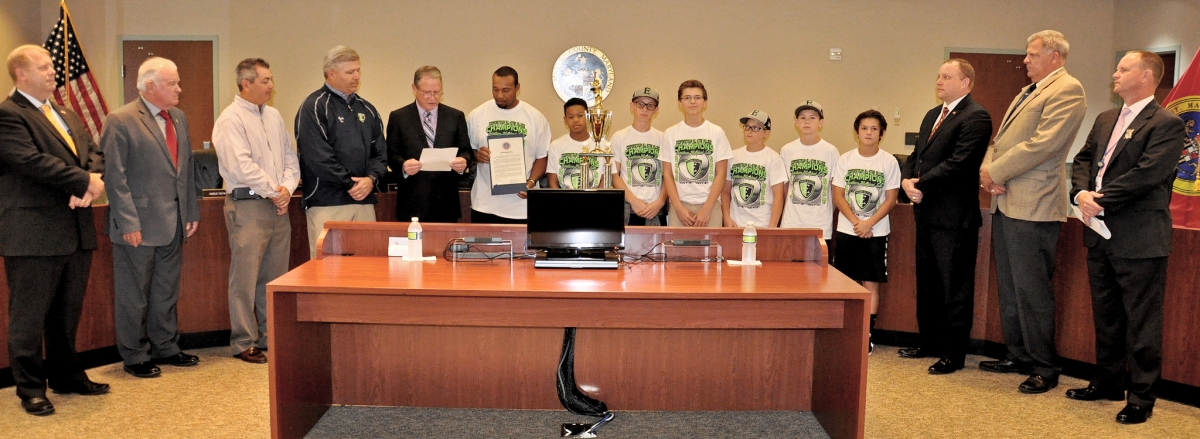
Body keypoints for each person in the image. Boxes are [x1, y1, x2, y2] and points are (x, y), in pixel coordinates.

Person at [1066, 51, 1184, 424]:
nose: (1114, 73)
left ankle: (1141, 397)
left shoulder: (1167, 123)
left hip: (1140, 237)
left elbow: (1149, 174)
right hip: (1100, 235)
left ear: (1146, 76)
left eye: (1123, 68)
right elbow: (1084, 160)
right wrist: (1080, 194)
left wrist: (1099, 200)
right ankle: (1107, 381)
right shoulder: (1104, 119)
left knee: (1142, 321)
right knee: (1107, 316)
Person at [0, 44, 108, 416]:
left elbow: (94, 151)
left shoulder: (65, 112)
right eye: (43, 67)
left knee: (66, 312)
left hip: (74, 229)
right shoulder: (8, 114)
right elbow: (30, 161)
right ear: (21, 74)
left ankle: (66, 375)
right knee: (28, 316)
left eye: (52, 66)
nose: (52, 72)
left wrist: (90, 179)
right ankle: (30, 387)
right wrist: (84, 183)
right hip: (32, 232)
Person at [978, 30, 1088, 394]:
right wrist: (988, 171)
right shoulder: (1030, 89)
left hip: (1035, 203)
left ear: (1054, 55)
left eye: (1032, 55)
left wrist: (995, 172)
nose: (1025, 61)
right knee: (1010, 286)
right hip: (1007, 197)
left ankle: (1045, 366)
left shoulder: (1068, 89)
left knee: (1032, 289)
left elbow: (1044, 144)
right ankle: (1019, 355)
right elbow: (1002, 140)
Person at [102, 56, 202, 378]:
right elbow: (114, 178)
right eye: (173, 83)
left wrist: (191, 210)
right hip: (138, 225)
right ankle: (134, 355)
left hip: (174, 222)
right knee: (134, 294)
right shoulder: (120, 120)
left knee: (165, 290)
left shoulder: (179, 118)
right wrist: (128, 223)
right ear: (150, 86)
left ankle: (166, 346)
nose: (179, 89)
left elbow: (184, 171)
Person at [897, 59, 992, 374]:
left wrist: (920, 184)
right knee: (928, 283)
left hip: (954, 220)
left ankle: (954, 354)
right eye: (938, 75)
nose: (939, 81)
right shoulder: (931, 115)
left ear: (965, 83)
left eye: (946, 76)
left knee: (954, 287)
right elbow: (916, 155)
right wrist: (907, 179)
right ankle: (929, 342)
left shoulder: (976, 117)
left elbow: (960, 163)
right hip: (925, 214)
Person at [211, 58, 300, 364]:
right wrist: (275, 191)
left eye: (271, 80)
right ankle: (243, 341)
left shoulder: (274, 116)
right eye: (265, 81)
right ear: (245, 84)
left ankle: (269, 335)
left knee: (275, 277)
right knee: (245, 278)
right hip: (249, 205)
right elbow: (241, 165)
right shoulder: (230, 119)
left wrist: (287, 187)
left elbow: (290, 156)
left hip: (277, 205)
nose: (271, 86)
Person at [295, 46, 386, 257]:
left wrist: (371, 179)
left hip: (363, 202)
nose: (356, 76)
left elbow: (380, 153)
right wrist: (350, 183)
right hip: (328, 203)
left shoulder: (368, 109)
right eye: (350, 72)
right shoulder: (314, 106)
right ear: (331, 74)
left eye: (358, 71)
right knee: (329, 270)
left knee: (367, 268)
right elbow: (317, 157)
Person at [831, 110, 901, 354]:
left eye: (873, 128)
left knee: (871, 283)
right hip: (847, 230)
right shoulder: (845, 159)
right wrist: (855, 222)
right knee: (845, 281)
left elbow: (891, 199)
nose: (868, 132)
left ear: (881, 133)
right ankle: (844, 331)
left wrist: (869, 222)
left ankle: (867, 335)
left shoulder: (889, 161)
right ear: (856, 131)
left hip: (876, 232)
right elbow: (838, 194)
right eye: (864, 128)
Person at [386, 65, 472, 222]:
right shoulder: (399, 117)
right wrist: (404, 166)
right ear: (414, 88)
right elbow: (391, 155)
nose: (432, 97)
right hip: (412, 202)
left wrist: (463, 161)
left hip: (446, 203)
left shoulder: (455, 116)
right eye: (426, 92)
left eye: (437, 92)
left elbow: (466, 151)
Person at [466, 66, 550, 223]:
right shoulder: (477, 115)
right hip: (485, 204)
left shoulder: (535, 117)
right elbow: (467, 153)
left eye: (506, 90)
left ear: (517, 88)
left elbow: (542, 157)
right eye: (495, 89)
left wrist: (531, 182)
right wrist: (478, 155)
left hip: (521, 206)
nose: (499, 95)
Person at [664, 80, 732, 227]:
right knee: (676, 249)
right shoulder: (670, 133)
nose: (692, 101)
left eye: (697, 97)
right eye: (687, 98)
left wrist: (707, 209)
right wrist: (678, 208)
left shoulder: (717, 132)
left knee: (712, 250)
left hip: (710, 205)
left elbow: (721, 173)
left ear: (705, 102)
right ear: (680, 103)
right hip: (679, 206)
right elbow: (667, 174)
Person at [779, 101, 839, 255]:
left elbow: (834, 188)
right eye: (802, 117)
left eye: (812, 118)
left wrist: (826, 212)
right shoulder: (787, 150)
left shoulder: (831, 151)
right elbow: (785, 187)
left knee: (818, 276)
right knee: (790, 274)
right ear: (796, 122)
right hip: (791, 223)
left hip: (820, 225)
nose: (807, 121)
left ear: (821, 123)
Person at [611, 87, 669, 226]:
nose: (645, 109)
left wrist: (660, 202)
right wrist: (633, 201)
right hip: (629, 208)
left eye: (650, 105)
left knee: (658, 248)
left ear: (656, 110)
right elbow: (614, 174)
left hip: (656, 209)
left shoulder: (663, 138)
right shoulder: (619, 137)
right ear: (632, 106)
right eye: (640, 104)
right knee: (628, 248)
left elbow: (668, 176)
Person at [722, 110, 786, 228]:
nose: (749, 131)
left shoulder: (773, 158)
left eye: (755, 128)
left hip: (762, 224)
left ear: (766, 133)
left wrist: (772, 226)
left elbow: (778, 196)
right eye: (747, 127)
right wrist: (726, 217)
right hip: (735, 224)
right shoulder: (733, 156)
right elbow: (725, 191)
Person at [547, 97, 602, 189]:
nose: (575, 120)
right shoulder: (556, 146)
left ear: (588, 116)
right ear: (565, 120)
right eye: (571, 117)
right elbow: (552, 181)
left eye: (580, 116)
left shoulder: (602, 145)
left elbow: (605, 179)